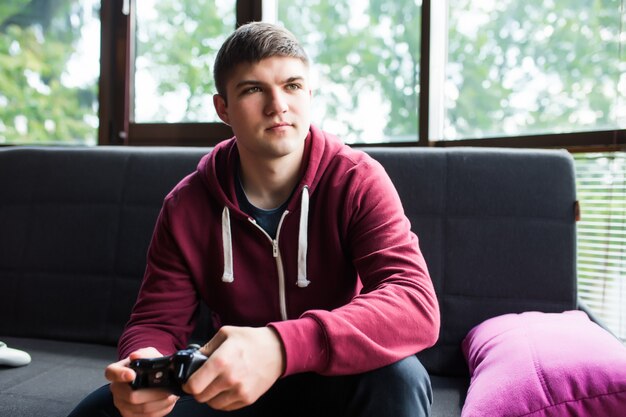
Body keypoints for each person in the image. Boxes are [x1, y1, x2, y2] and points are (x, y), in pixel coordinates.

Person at [69, 21, 440, 417]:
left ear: (310, 94)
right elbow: (156, 321)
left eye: (292, 85)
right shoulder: (186, 205)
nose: (277, 104)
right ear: (223, 108)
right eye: (253, 89)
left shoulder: (356, 180)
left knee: (401, 378)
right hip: (232, 384)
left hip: (335, 372)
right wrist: (143, 366)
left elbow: (413, 302)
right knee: (107, 409)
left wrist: (279, 346)